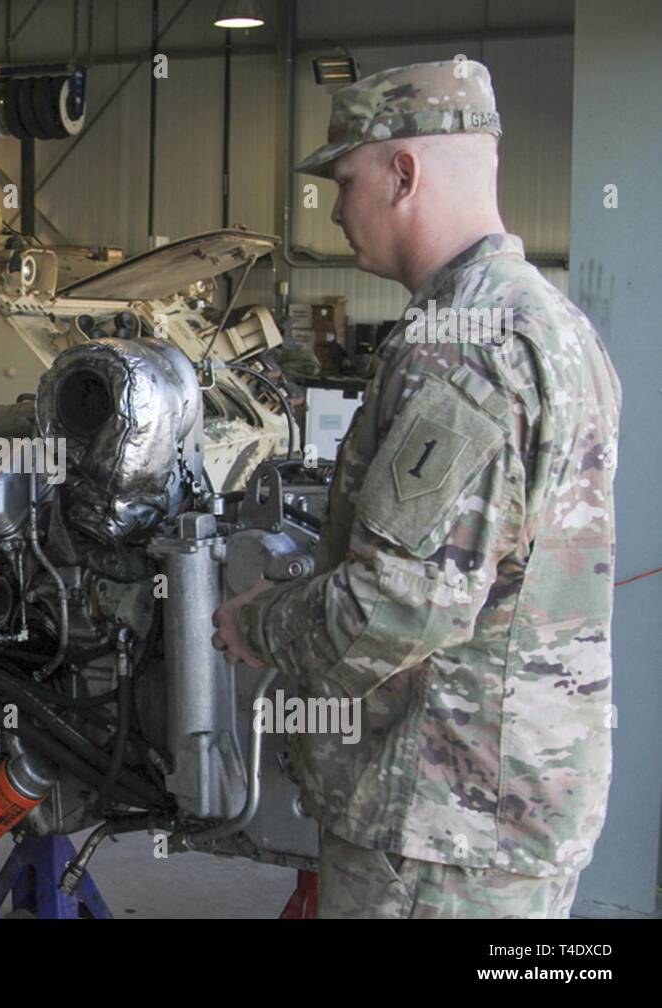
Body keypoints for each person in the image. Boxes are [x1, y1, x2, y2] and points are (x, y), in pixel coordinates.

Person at [211, 61, 620, 918]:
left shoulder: (461, 346)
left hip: (437, 828)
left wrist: (254, 622)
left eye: (345, 179)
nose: (331, 208)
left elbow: (395, 608)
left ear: (404, 174)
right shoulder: (557, 324)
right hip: (519, 806)